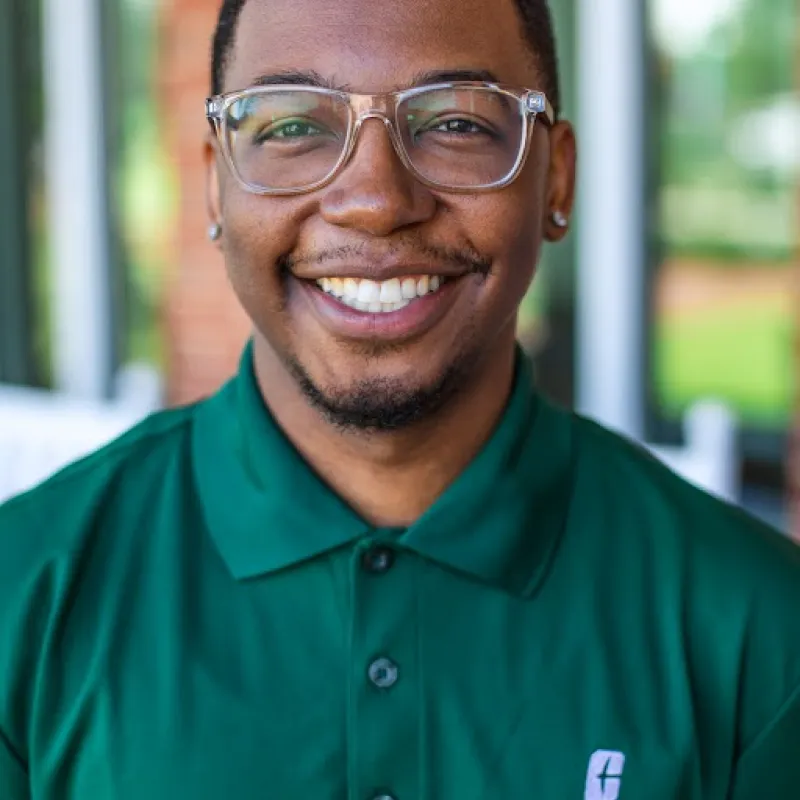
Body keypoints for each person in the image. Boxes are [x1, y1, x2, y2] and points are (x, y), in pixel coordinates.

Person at [2, 0, 800, 796]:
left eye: (453, 123)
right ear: (215, 186)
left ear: (555, 177)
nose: (376, 200)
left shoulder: (759, 632)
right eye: (290, 127)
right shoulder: (23, 598)